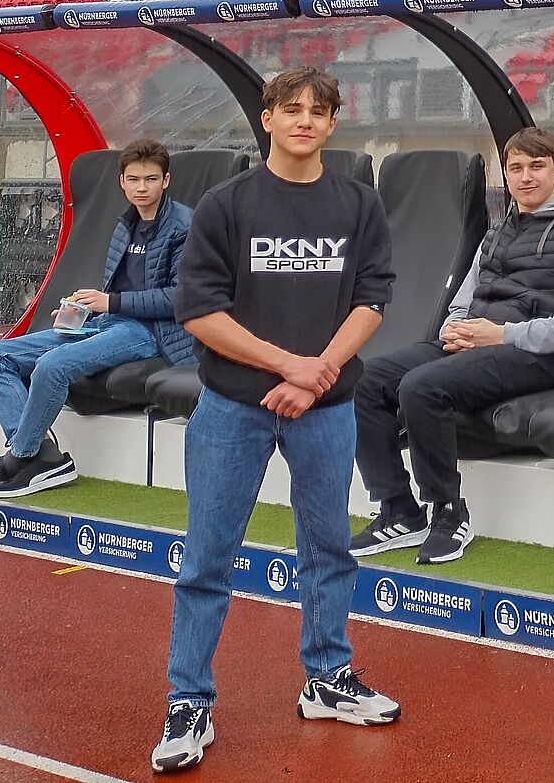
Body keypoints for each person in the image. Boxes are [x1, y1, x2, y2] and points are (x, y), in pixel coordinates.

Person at [153, 67, 398, 774]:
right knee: (208, 558)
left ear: (332, 124)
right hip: (233, 407)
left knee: (329, 551)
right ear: (267, 118)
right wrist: (288, 366)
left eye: (318, 112)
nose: (304, 120)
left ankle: (327, 678)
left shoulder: (358, 204)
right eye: (291, 109)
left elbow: (374, 297)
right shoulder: (226, 207)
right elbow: (199, 311)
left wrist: (316, 370)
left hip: (326, 408)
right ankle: (188, 700)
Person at [350, 127, 554, 565]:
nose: (526, 178)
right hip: (473, 343)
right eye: (516, 168)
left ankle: (448, 511)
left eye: (537, 167)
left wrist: (501, 335)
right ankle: (398, 508)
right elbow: (464, 298)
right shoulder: (495, 233)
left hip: (530, 355)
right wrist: (455, 328)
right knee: (364, 379)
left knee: (420, 387)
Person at [0, 140, 192, 500]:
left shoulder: (185, 226)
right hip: (109, 323)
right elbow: (118, 290)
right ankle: (38, 453)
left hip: (152, 332)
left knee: (52, 365)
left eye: (151, 179)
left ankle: (16, 461)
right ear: (121, 181)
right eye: (134, 179)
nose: (142, 187)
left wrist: (110, 302)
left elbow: (179, 298)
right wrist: (82, 310)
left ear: (166, 180)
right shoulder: (126, 225)